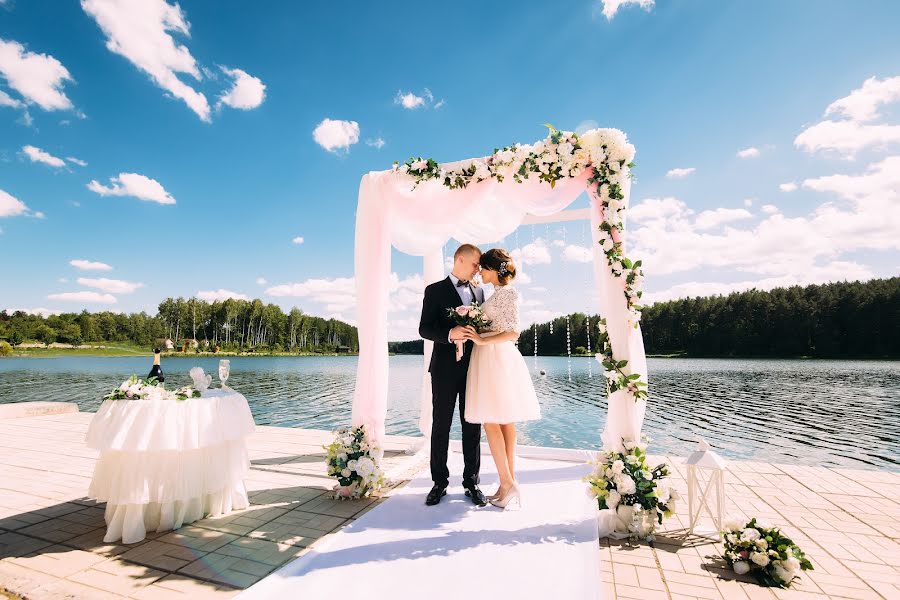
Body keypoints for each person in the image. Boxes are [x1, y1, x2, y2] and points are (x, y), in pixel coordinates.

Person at [462, 248, 540, 509]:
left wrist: (479, 338)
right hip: (492, 358)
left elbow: (513, 332)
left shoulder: (507, 293)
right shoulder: (497, 293)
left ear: (495, 270)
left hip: (496, 359)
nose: (479, 272)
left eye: (483, 268)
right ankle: (507, 483)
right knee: (504, 421)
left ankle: (509, 482)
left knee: (492, 421)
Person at [418, 243, 487, 507]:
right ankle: (439, 483)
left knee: (472, 425)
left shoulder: (480, 292)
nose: (477, 269)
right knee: (441, 426)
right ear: (460, 259)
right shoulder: (434, 290)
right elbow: (424, 328)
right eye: (475, 264)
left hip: (473, 369)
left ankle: (472, 482)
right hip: (444, 370)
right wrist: (450, 334)